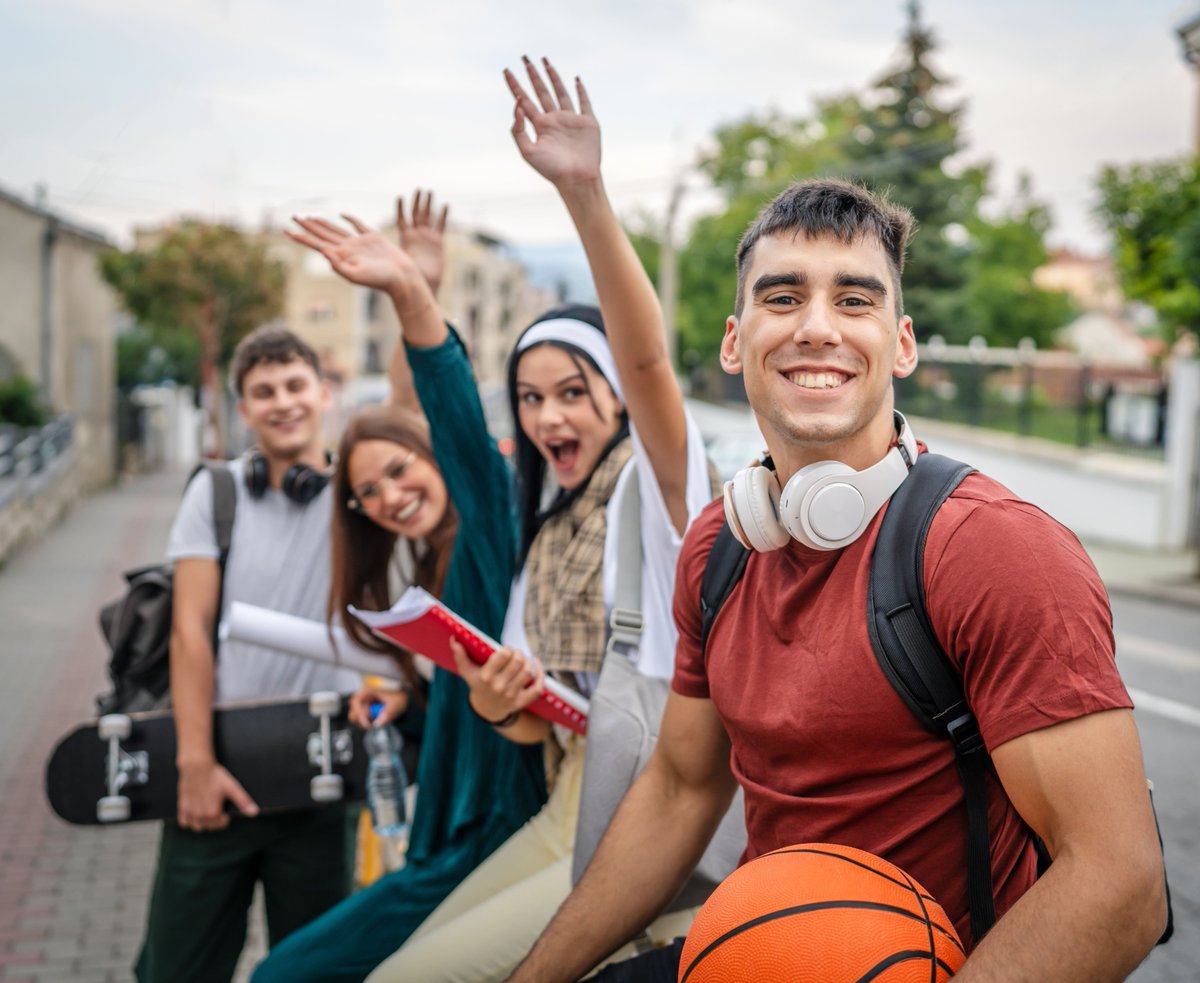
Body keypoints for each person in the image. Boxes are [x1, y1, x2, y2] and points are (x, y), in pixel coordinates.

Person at [507, 179, 1169, 983]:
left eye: (855, 300)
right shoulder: (717, 546)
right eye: (782, 296)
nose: (817, 327)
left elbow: (1121, 883)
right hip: (754, 948)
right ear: (732, 340)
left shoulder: (993, 549)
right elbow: (682, 789)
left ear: (902, 344)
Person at [362, 57, 722, 983]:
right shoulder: (547, 522)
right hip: (566, 797)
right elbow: (534, 721)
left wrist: (585, 195)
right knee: (402, 964)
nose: (549, 415)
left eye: (573, 391)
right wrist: (496, 700)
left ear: (614, 395)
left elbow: (651, 372)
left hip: (644, 817)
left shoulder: (659, 488)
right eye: (529, 397)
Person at [249, 198, 547, 983]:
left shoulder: (493, 536)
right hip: (438, 835)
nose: (387, 494)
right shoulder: (429, 575)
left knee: (283, 973)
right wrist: (404, 700)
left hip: (491, 837)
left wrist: (413, 295)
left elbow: (441, 414)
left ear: (435, 458)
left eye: (399, 469)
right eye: (367, 491)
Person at [135, 325, 363, 983]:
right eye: (264, 391)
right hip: (220, 772)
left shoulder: (361, 490)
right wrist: (195, 762)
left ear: (323, 393)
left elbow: (410, 414)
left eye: (295, 385)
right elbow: (190, 629)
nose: (283, 401)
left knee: (313, 969)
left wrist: (414, 289)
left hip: (323, 774)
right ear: (243, 410)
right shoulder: (216, 492)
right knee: (176, 967)